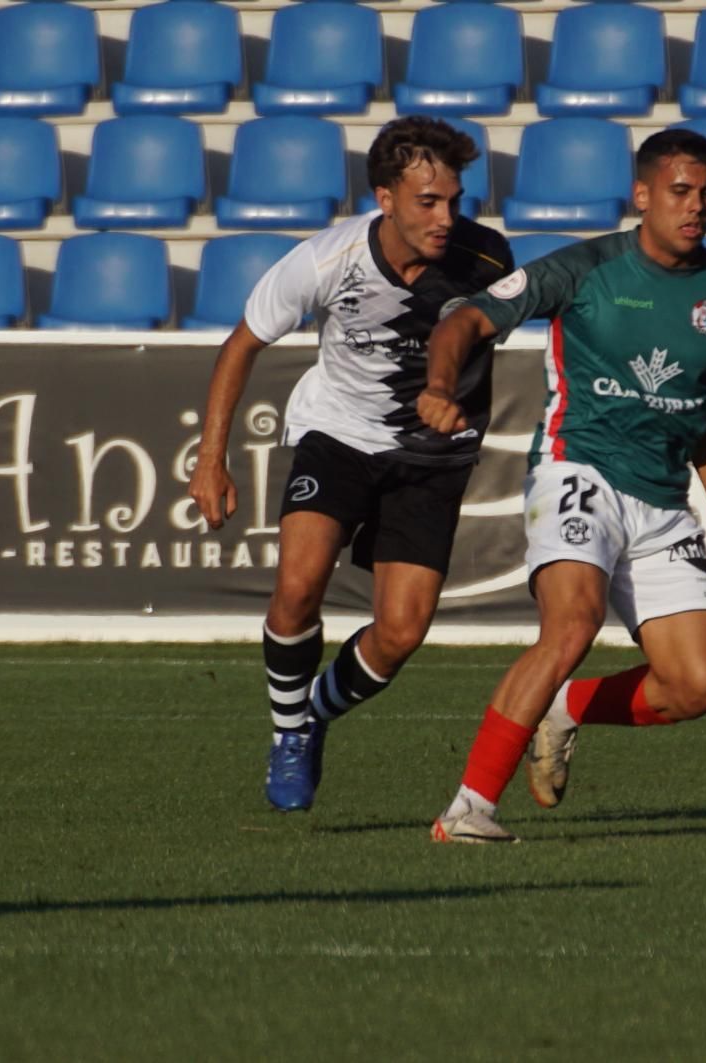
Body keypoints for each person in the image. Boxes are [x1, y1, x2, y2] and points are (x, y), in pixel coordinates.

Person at [417, 129, 706, 843]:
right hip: (580, 471)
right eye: (680, 192)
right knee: (573, 623)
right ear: (642, 196)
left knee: (699, 686)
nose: (696, 207)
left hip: (663, 503)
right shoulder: (586, 269)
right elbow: (467, 318)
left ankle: (564, 707)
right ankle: (469, 806)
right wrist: (440, 384)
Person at [188, 116, 512, 811]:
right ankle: (288, 734)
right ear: (385, 197)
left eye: (455, 200)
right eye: (428, 201)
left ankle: (314, 716)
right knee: (298, 585)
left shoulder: (487, 260)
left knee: (400, 632)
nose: (445, 216)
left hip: (433, 457)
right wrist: (211, 459)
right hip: (338, 432)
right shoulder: (326, 260)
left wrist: (453, 401)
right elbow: (241, 344)